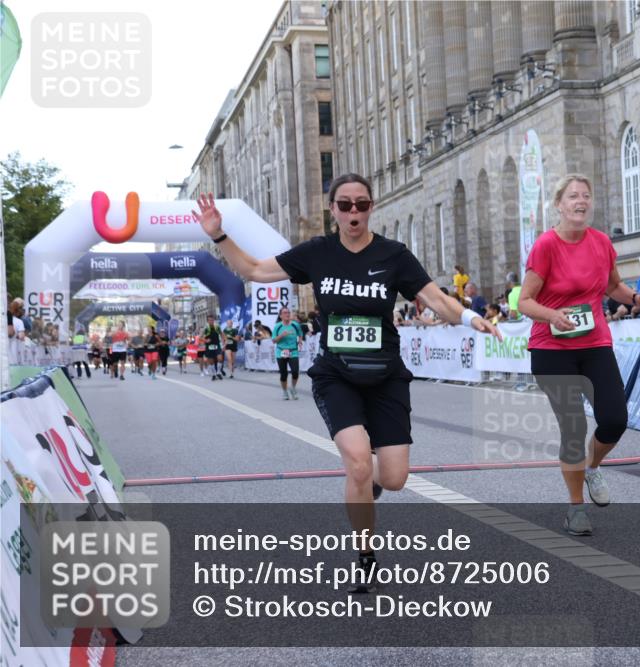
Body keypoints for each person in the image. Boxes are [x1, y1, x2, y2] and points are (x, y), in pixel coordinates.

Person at [193, 173, 501, 589]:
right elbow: (252, 269)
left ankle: (370, 481)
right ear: (333, 210)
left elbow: (434, 299)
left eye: (361, 204)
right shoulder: (317, 252)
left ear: (371, 207)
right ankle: (365, 552)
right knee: (357, 462)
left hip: (386, 375)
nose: (353, 212)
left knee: (392, 479)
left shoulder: (394, 255)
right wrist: (219, 236)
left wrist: (468, 317)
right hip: (336, 374)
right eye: (345, 205)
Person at [516, 174, 640, 537]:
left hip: (594, 343)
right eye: (573, 196)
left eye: (586, 195)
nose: (581, 201)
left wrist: (635, 300)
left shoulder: (601, 243)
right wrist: (552, 316)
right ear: (559, 204)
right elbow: (524, 301)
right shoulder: (546, 245)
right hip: (551, 349)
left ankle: (592, 467)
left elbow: (611, 286)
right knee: (574, 427)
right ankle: (576, 507)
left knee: (614, 419)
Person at [272, 307, 303, 400]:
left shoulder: (295, 324)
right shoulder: (278, 326)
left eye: (288, 312)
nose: (287, 314)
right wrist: (282, 335)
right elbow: (274, 340)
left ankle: (293, 388)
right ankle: (285, 392)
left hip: (293, 351)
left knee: (295, 372)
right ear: (281, 315)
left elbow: (300, 333)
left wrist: (300, 341)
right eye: (285, 313)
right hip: (281, 351)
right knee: (283, 374)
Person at [203, 315, 224, 380]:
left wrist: (224, 341)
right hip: (209, 346)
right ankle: (214, 374)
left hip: (217, 344)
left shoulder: (217, 327)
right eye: (210, 320)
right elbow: (200, 337)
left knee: (220, 358)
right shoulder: (206, 328)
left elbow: (222, 334)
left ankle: (218, 372)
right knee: (211, 361)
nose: (211, 321)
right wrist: (206, 340)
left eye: (212, 320)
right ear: (207, 321)